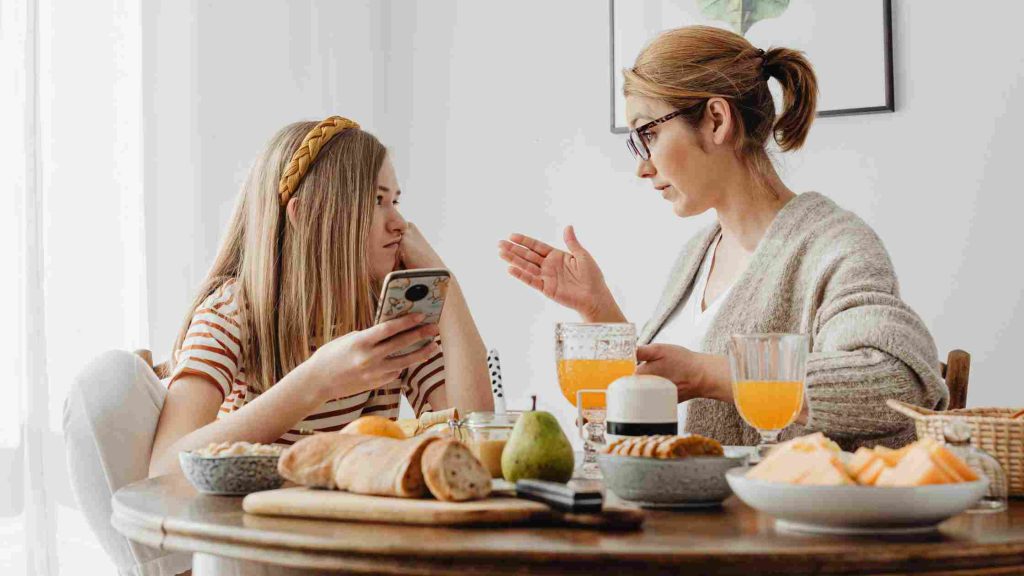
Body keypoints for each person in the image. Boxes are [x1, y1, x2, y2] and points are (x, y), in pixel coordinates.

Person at [65, 116, 493, 575]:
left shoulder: (385, 320)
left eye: (397, 201)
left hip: (350, 545)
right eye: (377, 201)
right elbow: (167, 471)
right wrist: (316, 381)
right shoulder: (236, 308)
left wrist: (448, 289)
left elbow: (477, 432)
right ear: (307, 214)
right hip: (253, 544)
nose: (400, 224)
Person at [499, 26, 945, 451]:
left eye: (649, 133)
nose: (642, 166)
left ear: (716, 119)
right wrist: (599, 309)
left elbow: (898, 382)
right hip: (678, 522)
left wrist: (710, 374)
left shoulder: (834, 247)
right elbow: (659, 397)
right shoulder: (698, 254)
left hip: (774, 525)